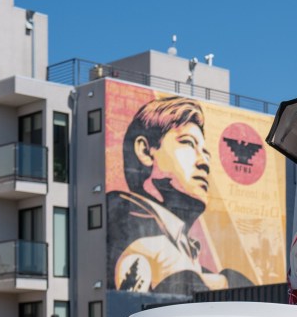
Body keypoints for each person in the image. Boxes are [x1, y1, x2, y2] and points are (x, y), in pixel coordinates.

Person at [107, 97, 250, 296]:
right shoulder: (127, 228)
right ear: (145, 151)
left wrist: (221, 280)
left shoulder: (182, 250)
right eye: (189, 144)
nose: (204, 162)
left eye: (206, 152)